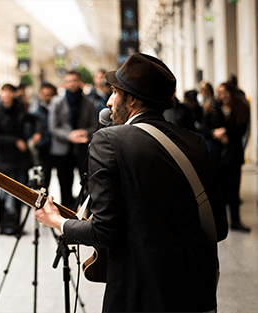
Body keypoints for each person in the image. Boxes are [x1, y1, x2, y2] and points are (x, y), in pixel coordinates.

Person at [35, 53, 229, 312]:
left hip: (140, 290)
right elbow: (219, 226)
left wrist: (58, 221)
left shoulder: (109, 141)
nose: (109, 101)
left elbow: (105, 232)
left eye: (115, 93)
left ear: (133, 99)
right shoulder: (193, 142)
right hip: (193, 287)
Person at [201, 82, 250, 232]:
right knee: (219, 191)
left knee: (233, 191)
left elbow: (242, 129)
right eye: (220, 92)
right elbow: (203, 127)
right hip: (217, 155)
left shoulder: (240, 107)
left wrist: (226, 133)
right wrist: (215, 134)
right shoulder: (212, 108)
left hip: (233, 155)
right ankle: (219, 222)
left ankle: (235, 221)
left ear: (231, 92)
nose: (222, 95)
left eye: (225, 92)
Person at [48, 70, 98, 210]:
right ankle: (65, 214)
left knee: (86, 183)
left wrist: (83, 133)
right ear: (65, 83)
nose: (71, 84)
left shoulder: (89, 103)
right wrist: (70, 135)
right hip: (62, 150)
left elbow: (94, 125)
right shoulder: (57, 102)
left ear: (80, 82)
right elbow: (53, 127)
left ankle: (83, 213)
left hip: (83, 148)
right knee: (64, 184)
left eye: (74, 80)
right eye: (68, 81)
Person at [0, 84, 31, 235]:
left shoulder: (20, 110)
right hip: (4, 158)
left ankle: (16, 225)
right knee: (3, 193)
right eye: (3, 92)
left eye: (9, 92)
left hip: (19, 158)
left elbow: (30, 122)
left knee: (19, 192)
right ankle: (1, 225)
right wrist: (14, 141)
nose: (6, 95)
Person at [29, 82, 57, 190]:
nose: (48, 97)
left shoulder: (59, 108)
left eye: (50, 94)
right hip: (43, 149)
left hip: (58, 148)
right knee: (43, 182)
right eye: (45, 94)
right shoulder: (35, 111)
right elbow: (30, 129)